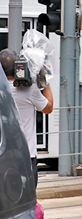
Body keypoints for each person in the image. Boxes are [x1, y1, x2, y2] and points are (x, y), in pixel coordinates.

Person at [1, 48, 53, 189]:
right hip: (25, 154)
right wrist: (45, 81)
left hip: (3, 155)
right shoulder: (29, 90)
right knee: (27, 198)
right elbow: (48, 108)